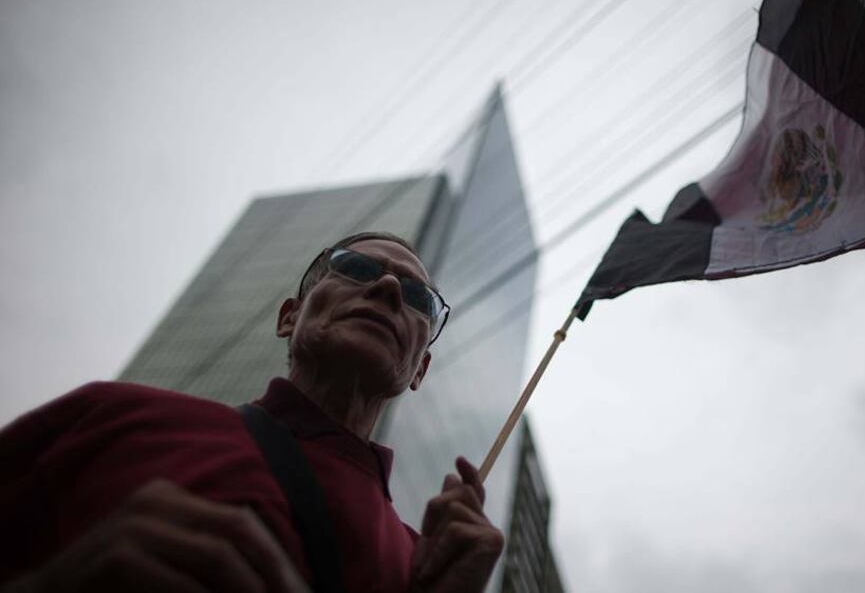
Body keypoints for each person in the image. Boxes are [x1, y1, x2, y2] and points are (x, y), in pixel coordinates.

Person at [0, 231, 505, 593]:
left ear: (420, 369)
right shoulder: (113, 420)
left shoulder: (424, 568)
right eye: (355, 267)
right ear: (290, 317)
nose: (390, 289)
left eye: (418, 296)